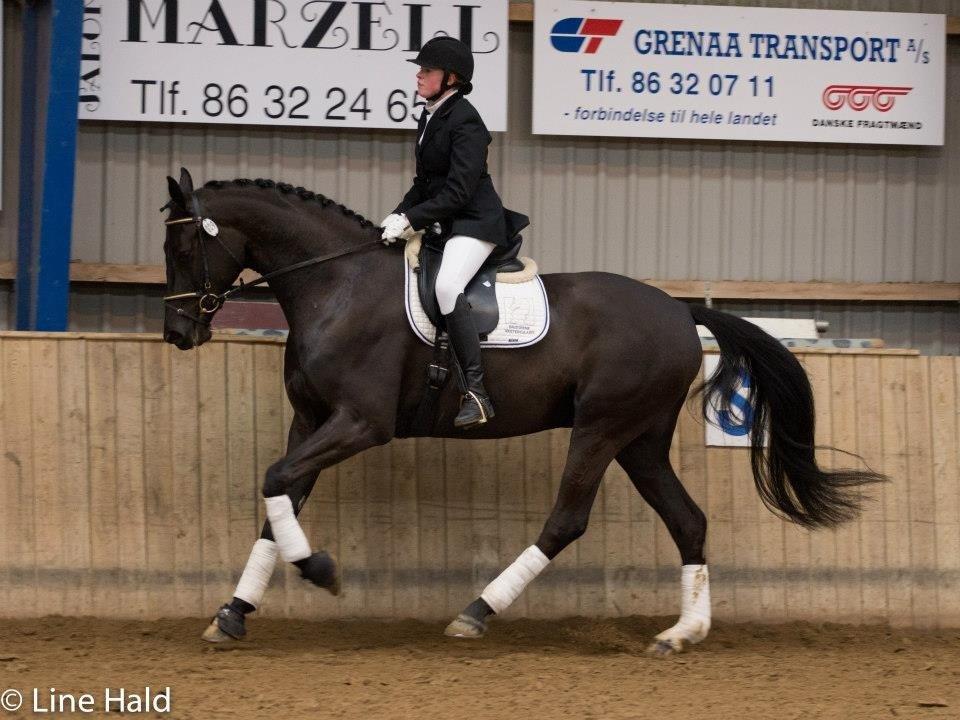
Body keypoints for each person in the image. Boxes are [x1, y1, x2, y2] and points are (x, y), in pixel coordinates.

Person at [381, 36, 527, 430]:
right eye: (421, 69)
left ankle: (477, 393)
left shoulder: (467, 120)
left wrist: (412, 219)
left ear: (451, 78)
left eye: (426, 70)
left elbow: (458, 191)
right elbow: (425, 182)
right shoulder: (430, 116)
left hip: (475, 222)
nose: (419, 75)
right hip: (448, 221)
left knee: (447, 287)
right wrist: (395, 216)